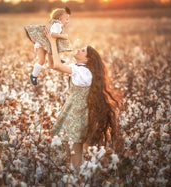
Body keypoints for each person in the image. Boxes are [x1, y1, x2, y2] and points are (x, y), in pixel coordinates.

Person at [45, 29, 122, 173]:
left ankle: (77, 177)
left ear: (87, 59)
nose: (78, 50)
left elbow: (56, 65)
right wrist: (50, 46)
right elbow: (52, 65)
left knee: (75, 148)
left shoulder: (83, 72)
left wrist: (52, 42)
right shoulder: (80, 69)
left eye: (83, 50)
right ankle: (76, 174)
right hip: (76, 111)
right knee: (73, 147)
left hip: (78, 113)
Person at [25, 7, 72, 85]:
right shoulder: (57, 25)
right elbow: (52, 34)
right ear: (60, 19)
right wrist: (63, 36)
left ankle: (57, 60)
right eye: (66, 19)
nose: (68, 21)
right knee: (41, 60)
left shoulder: (57, 24)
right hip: (41, 45)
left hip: (45, 45)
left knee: (54, 50)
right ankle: (33, 75)